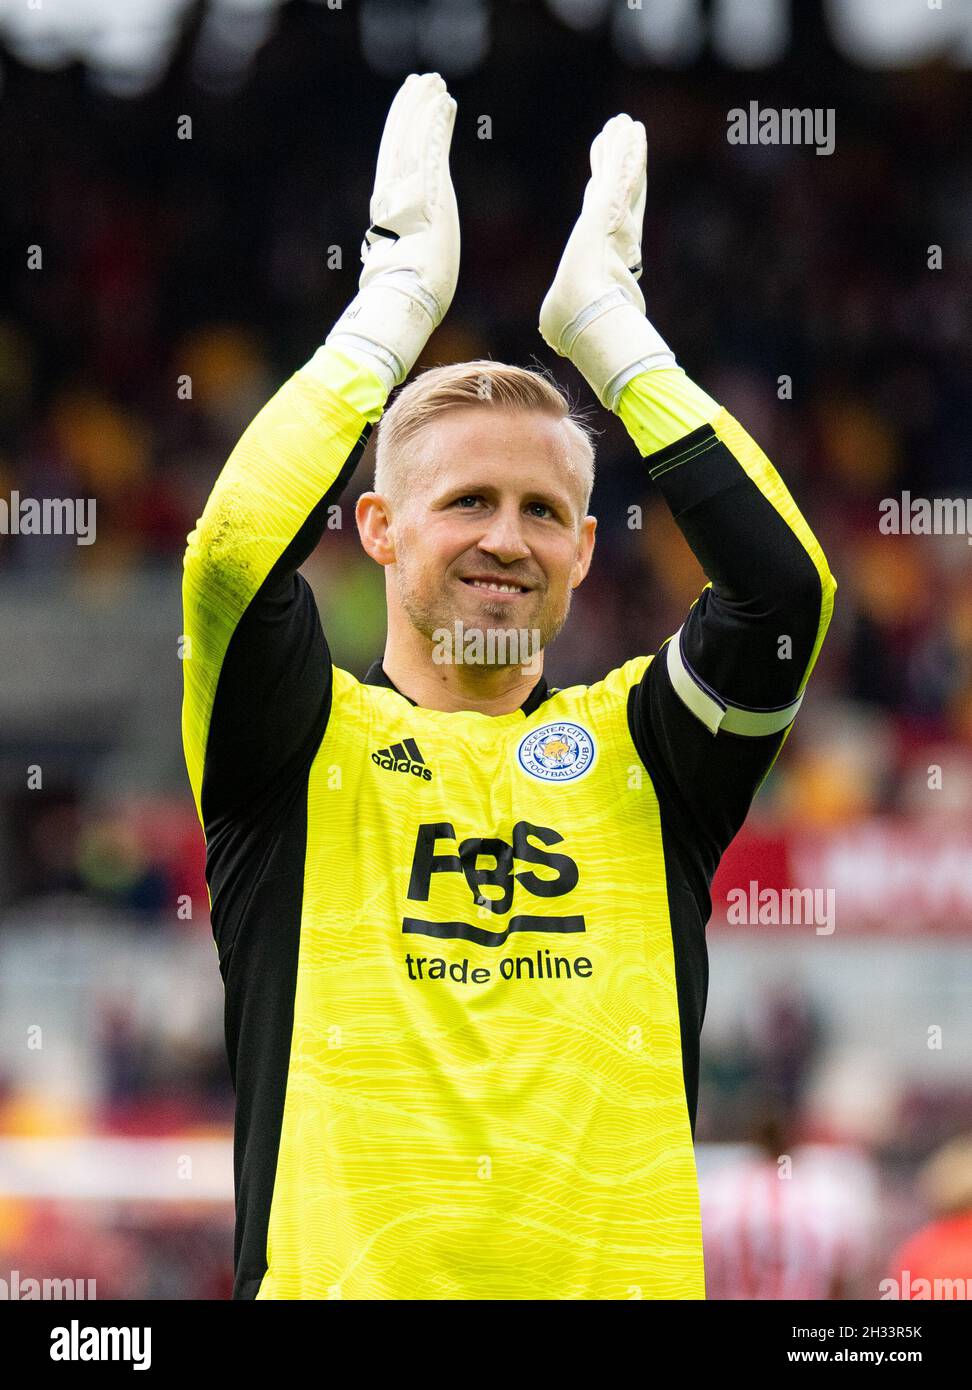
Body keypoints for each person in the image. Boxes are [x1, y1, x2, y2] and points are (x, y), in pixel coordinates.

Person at [181, 73, 836, 1299]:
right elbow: (230, 551)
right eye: (467, 500)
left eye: (545, 510)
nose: (508, 536)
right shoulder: (295, 742)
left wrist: (614, 337)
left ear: (587, 549)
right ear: (376, 527)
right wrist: (392, 305)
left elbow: (785, 598)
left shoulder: (649, 754)